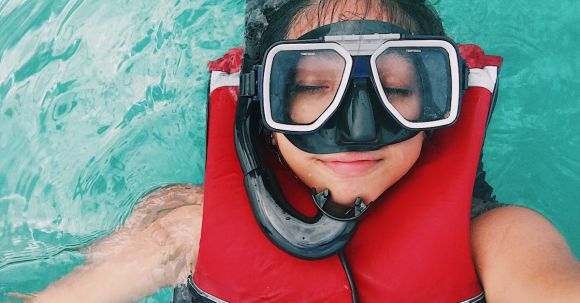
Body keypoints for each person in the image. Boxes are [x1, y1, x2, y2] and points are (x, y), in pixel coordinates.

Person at [19, 0, 580, 302]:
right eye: (312, 87)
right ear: (260, 107)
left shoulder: (503, 240)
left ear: (439, 103)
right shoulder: (190, 228)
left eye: (398, 87)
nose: (357, 125)